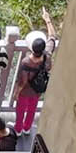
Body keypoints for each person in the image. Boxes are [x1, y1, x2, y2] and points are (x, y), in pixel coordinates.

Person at [11, 8, 57, 136]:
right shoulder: (47, 54)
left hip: (25, 91)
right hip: (37, 89)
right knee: (32, 109)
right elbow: (52, 37)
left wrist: (16, 93)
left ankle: (18, 129)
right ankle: (27, 128)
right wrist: (47, 20)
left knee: (20, 110)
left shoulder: (26, 62)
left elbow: (22, 81)